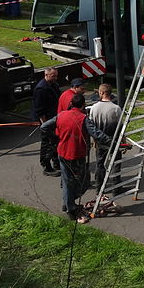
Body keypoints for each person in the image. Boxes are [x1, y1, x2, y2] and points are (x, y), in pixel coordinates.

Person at [41, 93, 110, 223]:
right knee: (83, 182)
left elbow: (44, 127)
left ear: (71, 104)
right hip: (77, 155)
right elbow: (97, 134)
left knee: (67, 181)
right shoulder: (83, 119)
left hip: (62, 153)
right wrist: (111, 141)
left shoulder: (61, 115)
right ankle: (70, 207)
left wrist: (54, 138)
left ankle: (67, 204)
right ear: (83, 105)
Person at [89, 83, 122, 192]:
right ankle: (116, 187)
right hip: (114, 140)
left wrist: (94, 140)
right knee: (116, 163)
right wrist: (123, 141)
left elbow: (92, 126)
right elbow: (120, 125)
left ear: (101, 93)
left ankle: (99, 187)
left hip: (100, 140)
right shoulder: (116, 108)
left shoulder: (94, 108)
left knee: (100, 164)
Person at [32, 66, 61, 177]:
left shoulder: (53, 85)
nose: (55, 78)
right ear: (46, 75)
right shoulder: (41, 89)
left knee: (55, 142)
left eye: (56, 76)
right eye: (53, 76)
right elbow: (40, 110)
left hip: (54, 119)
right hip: (46, 121)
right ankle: (47, 167)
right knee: (47, 144)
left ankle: (56, 163)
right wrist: (45, 124)